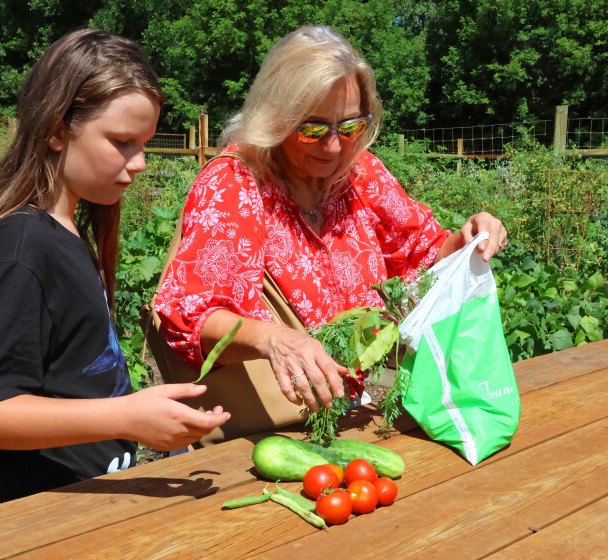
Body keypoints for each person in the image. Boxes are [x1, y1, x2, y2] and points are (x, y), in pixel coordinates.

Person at [0, 28, 230, 513]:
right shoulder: (18, 249)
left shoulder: (69, 231)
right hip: (31, 520)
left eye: (145, 144)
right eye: (122, 142)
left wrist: (143, 420)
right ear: (55, 129)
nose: (139, 164)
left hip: (83, 503)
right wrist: (124, 418)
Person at [154, 25, 508, 414]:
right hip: (271, 427)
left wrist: (470, 238)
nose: (335, 146)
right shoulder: (238, 183)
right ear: (277, 116)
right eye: (314, 129)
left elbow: (421, 254)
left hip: (364, 411)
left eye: (351, 126)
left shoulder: (362, 174)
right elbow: (191, 314)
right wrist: (275, 340)